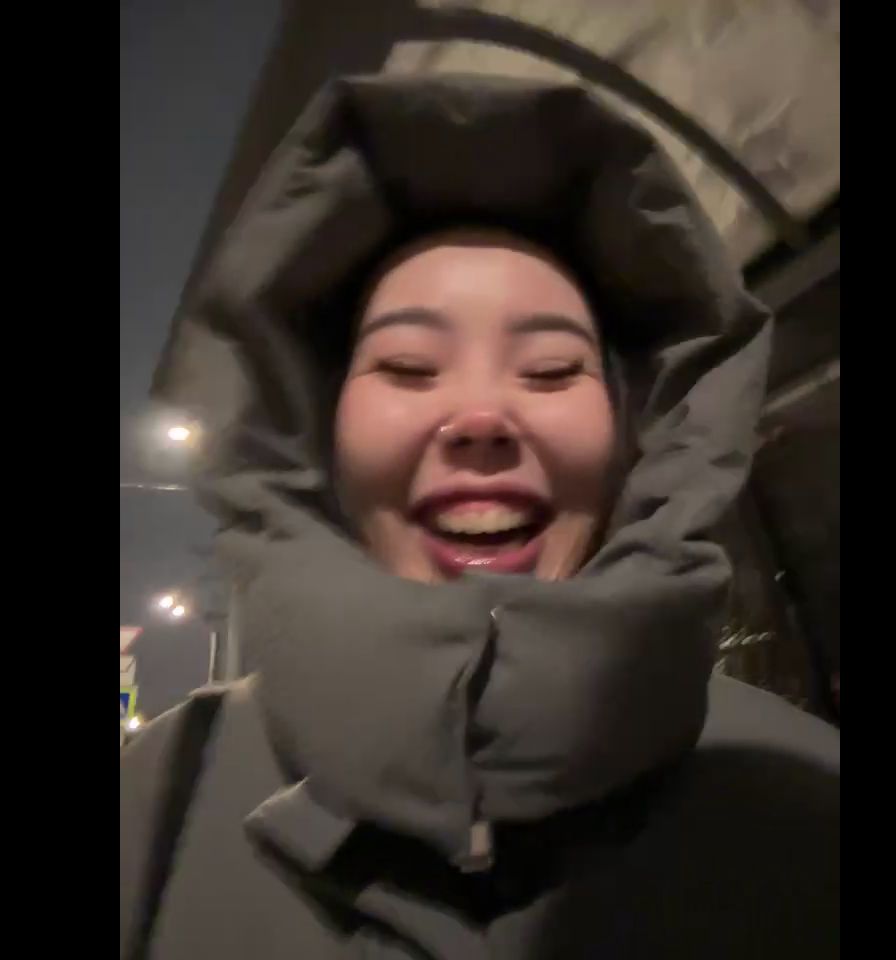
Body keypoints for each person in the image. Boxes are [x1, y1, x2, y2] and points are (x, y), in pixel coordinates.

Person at [121, 73, 839, 959]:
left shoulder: (810, 802)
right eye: (408, 366)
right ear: (315, 432)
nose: (481, 416)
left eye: (550, 370)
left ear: (639, 433)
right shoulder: (154, 808)